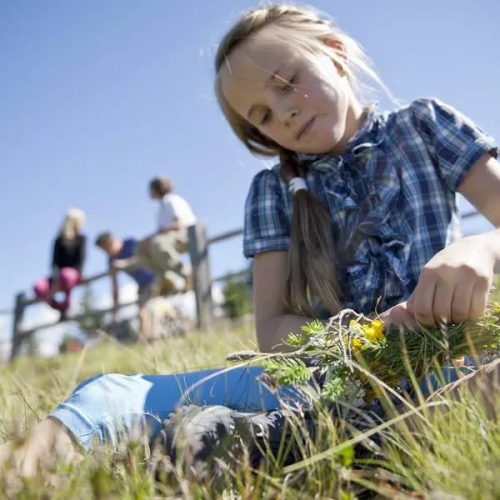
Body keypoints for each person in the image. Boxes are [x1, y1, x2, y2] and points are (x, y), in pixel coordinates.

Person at [4, 2, 500, 481]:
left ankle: (279, 442)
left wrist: (481, 247)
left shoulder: (425, 125)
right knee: (109, 396)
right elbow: (272, 327)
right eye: (262, 115)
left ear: (334, 51)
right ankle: (21, 479)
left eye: (287, 83)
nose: (282, 113)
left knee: (482, 383)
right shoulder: (272, 192)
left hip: (446, 356)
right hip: (325, 376)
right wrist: (358, 340)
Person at [114, 177, 197, 294]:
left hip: (186, 234)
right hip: (170, 237)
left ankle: (185, 272)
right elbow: (161, 231)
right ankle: (165, 277)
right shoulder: (160, 209)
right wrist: (146, 240)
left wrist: (153, 237)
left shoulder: (171, 200)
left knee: (156, 243)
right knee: (140, 249)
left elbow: (178, 223)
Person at [95, 232, 157, 342]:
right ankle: (147, 342)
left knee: (148, 312)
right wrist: (114, 308)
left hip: (156, 278)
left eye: (106, 249)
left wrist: (123, 263)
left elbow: (146, 257)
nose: (107, 253)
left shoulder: (131, 243)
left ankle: (147, 341)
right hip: (143, 286)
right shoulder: (112, 260)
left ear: (112, 243)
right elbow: (115, 287)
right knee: (143, 313)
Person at [33, 208, 87, 321]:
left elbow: (81, 260)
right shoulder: (59, 240)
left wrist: (80, 275)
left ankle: (67, 306)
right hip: (58, 276)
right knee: (39, 287)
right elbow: (54, 263)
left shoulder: (81, 239)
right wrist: (56, 280)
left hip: (72, 274)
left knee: (65, 275)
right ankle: (59, 308)